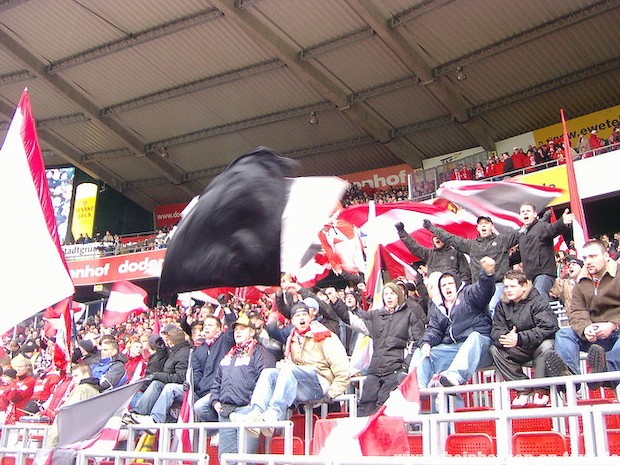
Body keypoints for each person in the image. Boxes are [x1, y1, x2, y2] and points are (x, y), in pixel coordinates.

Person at [229, 301, 350, 433]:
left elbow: (343, 369)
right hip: (299, 383)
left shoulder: (324, 335)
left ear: (310, 317)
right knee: (269, 373)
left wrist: (331, 393)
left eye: (304, 314)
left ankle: (273, 415)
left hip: (321, 382)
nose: (302, 318)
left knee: (288, 369)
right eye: (297, 316)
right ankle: (256, 414)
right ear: (292, 321)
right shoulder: (292, 339)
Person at [544, 240, 620, 389]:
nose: (588, 261)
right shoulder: (581, 282)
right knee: (564, 334)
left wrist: (613, 325)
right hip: (594, 334)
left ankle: (604, 373)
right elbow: (577, 311)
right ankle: (569, 377)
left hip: (617, 332)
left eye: (593, 256)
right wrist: (585, 328)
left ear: (606, 256)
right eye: (585, 258)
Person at [412, 257, 496, 391]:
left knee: (474, 337)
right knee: (422, 351)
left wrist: (487, 274)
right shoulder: (438, 307)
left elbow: (483, 291)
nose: (447, 287)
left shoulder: (468, 294)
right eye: (443, 285)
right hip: (455, 350)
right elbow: (434, 330)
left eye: (450, 283)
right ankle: (414, 385)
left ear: (457, 284)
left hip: (481, 348)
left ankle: (455, 377)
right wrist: (426, 343)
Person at [353, 281, 425, 416]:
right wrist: (341, 305)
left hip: (395, 369)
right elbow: (354, 319)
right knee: (365, 405)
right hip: (374, 369)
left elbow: (417, 341)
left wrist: (405, 366)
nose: (389, 297)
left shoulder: (410, 314)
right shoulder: (376, 315)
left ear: (399, 296)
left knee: (384, 406)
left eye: (392, 293)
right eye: (386, 294)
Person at [490, 270, 559, 406]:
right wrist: (506, 337)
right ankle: (523, 389)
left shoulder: (538, 300)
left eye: (512, 286)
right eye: (506, 287)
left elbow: (548, 327)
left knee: (547, 346)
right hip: (517, 347)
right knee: (495, 350)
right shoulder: (501, 305)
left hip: (538, 345)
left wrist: (520, 338)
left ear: (524, 287)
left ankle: (541, 389)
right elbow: (495, 330)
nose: (508, 290)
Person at [423, 216, 519, 314]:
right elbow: (450, 238)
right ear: (477, 228)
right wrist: (431, 227)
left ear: (492, 226)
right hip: (479, 286)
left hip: (497, 283)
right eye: (480, 224)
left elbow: (521, 233)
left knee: (492, 307)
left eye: (486, 223)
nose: (483, 226)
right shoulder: (471, 245)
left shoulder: (502, 240)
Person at [211, 315, 275, 457]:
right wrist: (215, 401)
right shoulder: (229, 355)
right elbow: (217, 381)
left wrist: (252, 405)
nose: (238, 332)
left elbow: (264, 381)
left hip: (247, 412)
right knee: (225, 458)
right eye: (236, 330)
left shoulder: (260, 353)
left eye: (242, 329)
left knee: (244, 458)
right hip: (226, 413)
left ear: (252, 332)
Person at [129, 324, 191, 424]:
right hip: (172, 384)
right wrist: (161, 346)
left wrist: (157, 375)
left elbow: (181, 378)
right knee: (156, 384)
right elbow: (162, 358)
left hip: (185, 389)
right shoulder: (174, 351)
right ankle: (137, 413)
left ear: (171, 341)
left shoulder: (183, 354)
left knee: (168, 387)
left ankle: (155, 419)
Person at [517, 203, 574, 298]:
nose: (525, 213)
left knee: (539, 294)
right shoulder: (522, 235)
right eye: (523, 212)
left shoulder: (541, 226)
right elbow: (518, 255)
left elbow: (552, 229)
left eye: (528, 211)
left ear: (535, 214)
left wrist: (562, 222)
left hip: (544, 273)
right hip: (530, 277)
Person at [396, 222, 471, 284]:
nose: (437, 238)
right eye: (435, 237)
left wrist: (463, 286)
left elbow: (465, 273)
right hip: (435, 291)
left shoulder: (456, 253)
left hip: (454, 290)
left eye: (439, 236)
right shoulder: (429, 254)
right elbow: (414, 247)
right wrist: (402, 233)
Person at [45, 364, 101, 447]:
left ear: (86, 375)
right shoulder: (96, 390)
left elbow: (67, 415)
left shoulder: (81, 389)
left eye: (76, 376)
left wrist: (52, 443)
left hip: (69, 440)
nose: (73, 380)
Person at [192, 315, 235, 422]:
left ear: (219, 328)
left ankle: (217, 429)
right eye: (205, 325)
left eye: (210, 325)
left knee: (200, 407)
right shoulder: (198, 347)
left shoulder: (225, 340)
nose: (206, 327)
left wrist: (227, 309)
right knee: (174, 390)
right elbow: (197, 372)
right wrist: (191, 385)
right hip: (201, 390)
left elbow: (232, 325)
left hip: (219, 390)